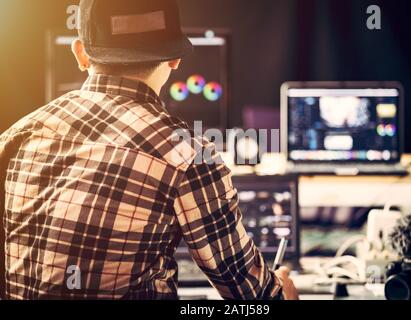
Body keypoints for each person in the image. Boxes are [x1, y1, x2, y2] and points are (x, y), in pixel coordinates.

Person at [0, 0, 298, 300]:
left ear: (80, 54)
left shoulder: (16, 136)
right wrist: (281, 287)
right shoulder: (189, 153)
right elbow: (252, 297)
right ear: (175, 58)